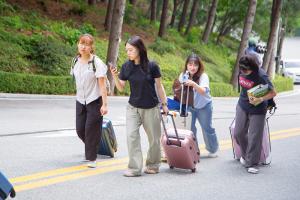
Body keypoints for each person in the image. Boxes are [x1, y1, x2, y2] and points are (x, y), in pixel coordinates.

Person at [110, 35, 169, 177]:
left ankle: (153, 165)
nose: (128, 53)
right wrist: (115, 76)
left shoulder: (152, 66)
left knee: (154, 139)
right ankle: (135, 168)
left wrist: (165, 105)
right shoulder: (126, 66)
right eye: (127, 50)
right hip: (133, 107)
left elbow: (159, 87)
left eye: (130, 50)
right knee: (131, 136)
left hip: (151, 107)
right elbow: (122, 88)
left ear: (139, 49)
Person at [70, 34, 108, 168]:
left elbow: (102, 85)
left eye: (87, 44)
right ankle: (92, 149)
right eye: (81, 43)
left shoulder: (96, 62)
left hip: (94, 100)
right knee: (80, 130)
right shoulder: (75, 60)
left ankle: (92, 158)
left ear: (91, 47)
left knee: (90, 129)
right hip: (80, 100)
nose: (83, 47)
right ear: (78, 44)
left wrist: (104, 104)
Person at [234, 54, 276, 174]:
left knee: (254, 137)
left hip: (258, 108)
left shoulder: (261, 76)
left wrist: (261, 99)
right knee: (238, 133)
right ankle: (246, 155)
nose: (243, 72)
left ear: (253, 68)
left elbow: (273, 92)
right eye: (242, 69)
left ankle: (252, 163)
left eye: (246, 70)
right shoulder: (242, 69)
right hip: (243, 104)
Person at [180, 53, 219, 158]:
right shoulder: (183, 75)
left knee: (207, 128)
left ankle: (212, 149)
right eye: (190, 64)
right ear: (186, 65)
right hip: (190, 106)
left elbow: (203, 91)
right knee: (190, 129)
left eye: (195, 65)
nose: (193, 67)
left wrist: (193, 84)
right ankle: (194, 151)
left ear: (199, 66)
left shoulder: (203, 76)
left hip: (204, 106)